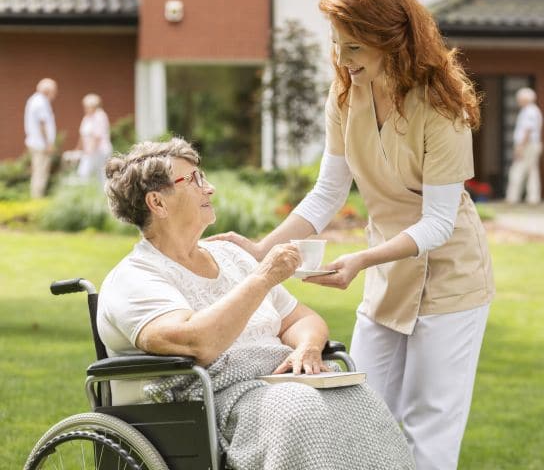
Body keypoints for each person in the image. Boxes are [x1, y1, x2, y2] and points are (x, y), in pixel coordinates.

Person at [208, 0, 495, 468]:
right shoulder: (345, 94)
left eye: (354, 47)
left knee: (430, 425)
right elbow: (327, 193)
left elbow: (440, 223)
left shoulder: (441, 106)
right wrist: (263, 249)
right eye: (337, 44)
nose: (341, 59)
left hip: (451, 279)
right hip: (388, 273)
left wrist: (362, 260)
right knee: (358, 408)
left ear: (391, 40)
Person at [98, 138, 413, 469]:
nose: (210, 189)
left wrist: (307, 348)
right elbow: (195, 342)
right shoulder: (135, 278)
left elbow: (299, 319)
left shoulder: (231, 257)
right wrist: (263, 277)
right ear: (157, 203)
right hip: (213, 402)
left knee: (358, 399)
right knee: (299, 410)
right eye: (194, 180)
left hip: (276, 384)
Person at [506, 87, 544, 204]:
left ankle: (512, 198)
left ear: (525, 99)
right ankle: (533, 198)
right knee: (532, 171)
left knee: (517, 170)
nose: (518, 101)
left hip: (528, 145)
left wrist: (520, 147)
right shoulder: (532, 110)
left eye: (520, 99)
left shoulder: (529, 111)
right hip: (532, 144)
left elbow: (528, 130)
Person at [24, 78, 58, 198]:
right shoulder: (41, 102)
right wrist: (48, 143)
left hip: (37, 143)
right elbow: (43, 124)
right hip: (41, 144)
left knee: (39, 171)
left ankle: (37, 198)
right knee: (40, 172)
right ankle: (37, 199)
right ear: (47, 90)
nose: (55, 93)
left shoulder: (35, 100)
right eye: (54, 90)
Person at [74, 93, 113, 183]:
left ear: (94, 106)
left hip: (100, 150)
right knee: (83, 173)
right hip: (89, 151)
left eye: (87, 107)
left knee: (102, 175)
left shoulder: (100, 116)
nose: (85, 109)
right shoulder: (87, 118)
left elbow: (97, 136)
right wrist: (78, 149)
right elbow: (82, 135)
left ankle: (105, 194)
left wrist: (90, 150)